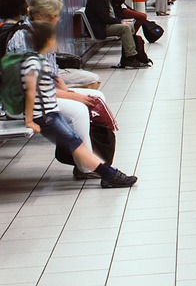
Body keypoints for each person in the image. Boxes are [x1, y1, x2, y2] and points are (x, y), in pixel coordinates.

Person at [4, 0, 110, 179]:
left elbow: (53, 72)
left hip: (43, 96)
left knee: (97, 96)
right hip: (27, 103)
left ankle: (88, 157)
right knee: (79, 111)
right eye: (52, 16)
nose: (56, 20)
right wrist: (72, 96)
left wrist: (69, 91)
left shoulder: (42, 32)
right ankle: (86, 167)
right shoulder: (24, 37)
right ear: (39, 14)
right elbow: (34, 87)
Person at [20, 21, 137, 188]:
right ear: (46, 40)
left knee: (76, 144)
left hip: (50, 113)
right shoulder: (33, 64)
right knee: (76, 145)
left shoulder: (39, 61)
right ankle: (110, 175)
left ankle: (109, 175)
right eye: (54, 38)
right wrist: (29, 120)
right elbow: (31, 93)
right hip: (45, 117)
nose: (56, 42)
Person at [85, 0, 149, 69]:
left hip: (103, 26)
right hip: (100, 28)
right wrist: (121, 21)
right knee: (125, 28)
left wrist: (122, 21)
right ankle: (130, 58)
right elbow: (105, 19)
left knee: (129, 26)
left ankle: (129, 58)